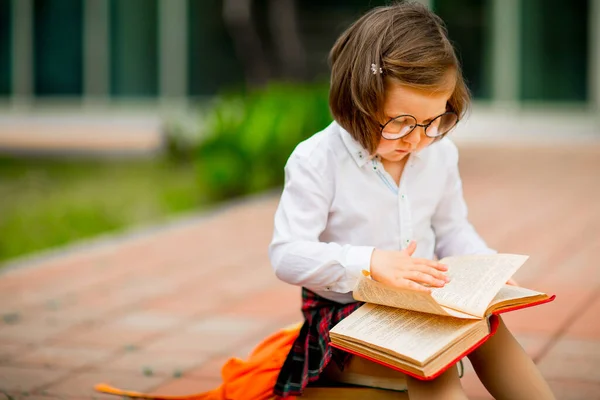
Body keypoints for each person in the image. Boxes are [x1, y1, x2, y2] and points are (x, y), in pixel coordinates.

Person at [268, 2, 556, 399]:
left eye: (434, 121)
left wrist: (487, 269)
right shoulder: (317, 159)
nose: (418, 139)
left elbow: (454, 229)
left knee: (489, 326)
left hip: (420, 302)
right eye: (401, 123)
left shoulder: (438, 153)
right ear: (358, 101)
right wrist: (370, 262)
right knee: (431, 356)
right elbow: (286, 254)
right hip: (344, 315)